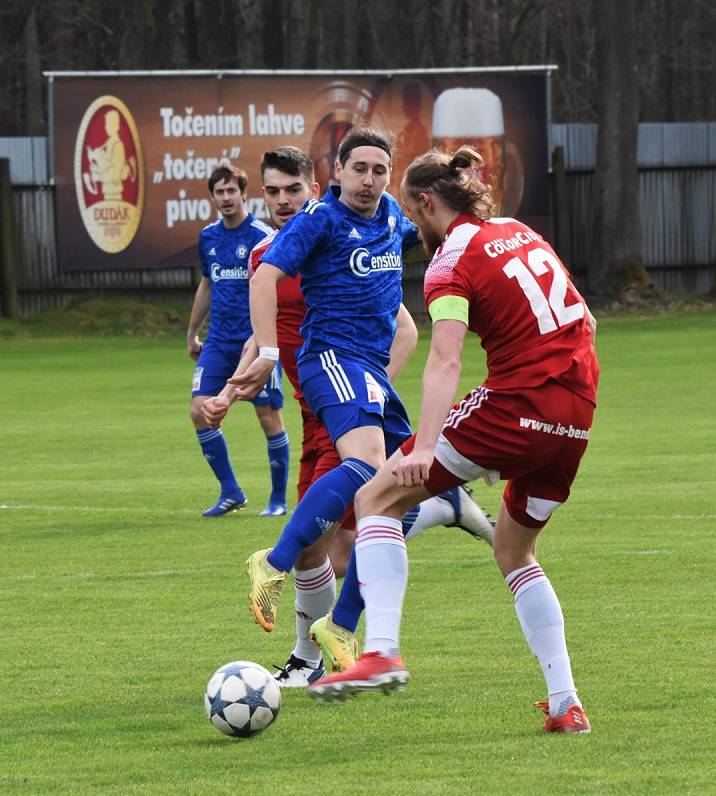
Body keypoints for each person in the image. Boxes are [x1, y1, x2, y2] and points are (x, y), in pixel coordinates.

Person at [307, 146, 600, 736]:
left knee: (377, 498)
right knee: (515, 552)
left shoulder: (449, 263)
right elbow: (587, 322)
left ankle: (381, 651)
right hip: (578, 411)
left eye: (413, 213)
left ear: (424, 201)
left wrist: (424, 447)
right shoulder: (518, 230)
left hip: (519, 401)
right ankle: (566, 702)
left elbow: (444, 359)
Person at [202, 145, 494, 687]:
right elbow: (264, 280)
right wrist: (262, 358)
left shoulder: (391, 217)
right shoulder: (318, 222)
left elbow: (435, 225)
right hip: (333, 358)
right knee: (363, 480)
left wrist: (465, 194)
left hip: (365, 376)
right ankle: (275, 565)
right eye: (358, 168)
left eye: (379, 170)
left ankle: (341, 625)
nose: (368, 179)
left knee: (407, 485)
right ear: (335, 173)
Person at [188, 164, 289, 518]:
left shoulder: (262, 237)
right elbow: (206, 285)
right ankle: (231, 491)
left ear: (245, 194)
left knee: (268, 417)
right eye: (220, 192)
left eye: (233, 191)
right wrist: (192, 332)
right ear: (213, 197)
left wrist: (265, 339)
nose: (227, 198)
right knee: (200, 411)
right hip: (218, 341)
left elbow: (273, 290)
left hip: (256, 340)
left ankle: (278, 499)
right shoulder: (209, 238)